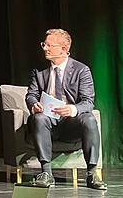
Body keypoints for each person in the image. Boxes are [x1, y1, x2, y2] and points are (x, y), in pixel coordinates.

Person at [25, 29, 107, 190]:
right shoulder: (39, 70)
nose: (45, 48)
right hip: (47, 122)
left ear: (63, 48)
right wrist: (34, 104)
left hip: (71, 124)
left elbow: (88, 102)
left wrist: (72, 109)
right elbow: (31, 95)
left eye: (49, 45)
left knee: (90, 119)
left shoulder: (81, 70)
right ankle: (46, 173)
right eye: (44, 44)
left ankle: (91, 174)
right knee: (39, 118)